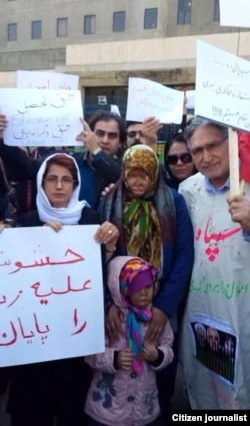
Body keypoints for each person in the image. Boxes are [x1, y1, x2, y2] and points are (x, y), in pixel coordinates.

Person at [4, 153, 119, 426]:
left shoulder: (91, 218)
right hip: (33, 346)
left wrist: (110, 246)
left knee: (71, 412)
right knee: (32, 414)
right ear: (41, 184)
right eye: (52, 179)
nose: (59, 186)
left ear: (75, 185)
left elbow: (98, 277)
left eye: (66, 180)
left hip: (74, 343)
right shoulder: (26, 222)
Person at [100, 144, 194, 417]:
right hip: (120, 306)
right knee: (118, 364)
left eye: (145, 174)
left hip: (160, 301)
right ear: (124, 174)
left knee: (160, 363)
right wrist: (111, 303)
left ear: (155, 174)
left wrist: (163, 308)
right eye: (132, 174)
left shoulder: (173, 202)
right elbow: (99, 257)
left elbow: (183, 255)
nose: (138, 181)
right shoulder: (109, 201)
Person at [179, 116, 250, 409]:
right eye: (197, 151)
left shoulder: (246, 187)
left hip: (243, 315)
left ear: (230, 141)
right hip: (204, 316)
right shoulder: (187, 191)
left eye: (213, 146)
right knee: (211, 393)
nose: (206, 157)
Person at [85, 255, 174, 426]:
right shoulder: (110, 319)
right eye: (136, 288)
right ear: (122, 288)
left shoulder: (155, 318)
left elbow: (168, 346)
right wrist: (114, 359)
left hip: (143, 406)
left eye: (148, 287)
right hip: (108, 410)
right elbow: (91, 353)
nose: (144, 293)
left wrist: (158, 356)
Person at [0, 111, 126, 211]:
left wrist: (96, 152)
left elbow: (120, 177)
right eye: (100, 134)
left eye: (112, 136)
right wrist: (2, 141)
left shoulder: (124, 168)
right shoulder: (65, 160)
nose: (105, 140)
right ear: (88, 134)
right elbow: (25, 168)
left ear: (120, 143)